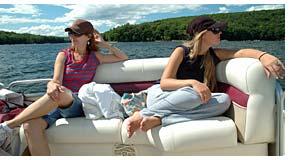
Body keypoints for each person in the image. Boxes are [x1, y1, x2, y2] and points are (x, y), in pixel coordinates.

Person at [125, 16, 285, 138]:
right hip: (161, 96)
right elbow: (165, 83)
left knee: (223, 101)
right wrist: (194, 83)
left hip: (188, 101)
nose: (220, 33)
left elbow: (240, 53)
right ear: (202, 34)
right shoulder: (181, 51)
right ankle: (143, 113)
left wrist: (263, 56)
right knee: (193, 93)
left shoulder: (214, 55)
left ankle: (160, 119)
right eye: (215, 30)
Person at [0, 19, 128, 155]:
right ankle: (7, 129)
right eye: (71, 33)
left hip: (78, 103)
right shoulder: (64, 55)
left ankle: (7, 127)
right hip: (58, 103)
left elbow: (123, 57)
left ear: (89, 36)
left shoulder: (95, 56)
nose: (72, 37)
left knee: (60, 93)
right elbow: (56, 80)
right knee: (30, 125)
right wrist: (51, 85)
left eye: (77, 34)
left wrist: (104, 44)